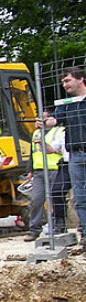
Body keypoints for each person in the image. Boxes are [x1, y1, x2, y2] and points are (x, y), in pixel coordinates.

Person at [47, 67, 86, 242]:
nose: (64, 84)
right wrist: (45, 121)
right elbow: (55, 120)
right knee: (80, 198)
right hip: (75, 156)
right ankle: (85, 236)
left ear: (80, 79)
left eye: (67, 80)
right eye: (63, 82)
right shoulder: (68, 104)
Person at [27, 109, 67, 240]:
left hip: (55, 168)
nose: (40, 122)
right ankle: (34, 229)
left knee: (56, 198)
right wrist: (30, 170)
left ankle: (59, 224)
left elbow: (60, 149)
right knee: (36, 200)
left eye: (43, 119)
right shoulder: (36, 133)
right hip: (39, 171)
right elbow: (32, 153)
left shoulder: (59, 131)